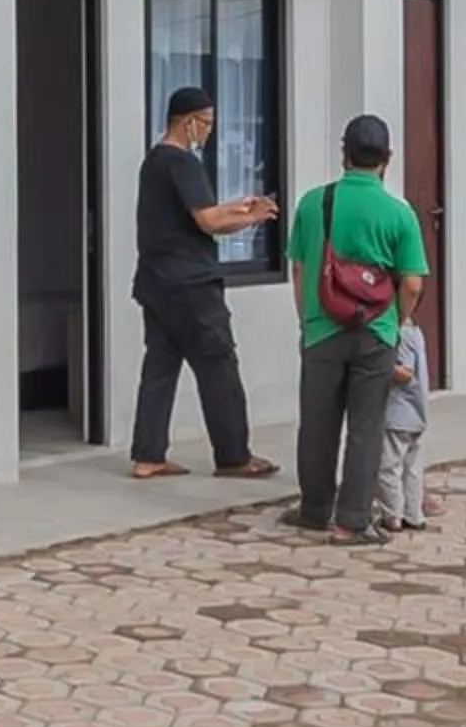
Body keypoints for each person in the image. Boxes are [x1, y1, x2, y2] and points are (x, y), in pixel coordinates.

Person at [129, 85, 283, 481]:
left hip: (156, 284)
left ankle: (148, 456)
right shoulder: (183, 163)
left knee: (159, 368)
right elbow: (209, 222)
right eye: (207, 123)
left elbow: (201, 212)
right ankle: (234, 456)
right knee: (219, 367)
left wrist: (239, 206)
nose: (210, 131)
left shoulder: (154, 162)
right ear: (188, 122)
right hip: (192, 286)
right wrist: (253, 217)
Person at [287, 114, 428, 545]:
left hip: (321, 329)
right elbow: (413, 282)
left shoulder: (313, 203)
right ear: (387, 159)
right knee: (366, 426)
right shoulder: (398, 214)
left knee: (317, 423)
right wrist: (399, 319)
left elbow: (298, 268)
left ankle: (314, 509)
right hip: (376, 332)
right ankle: (351, 519)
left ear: (344, 153)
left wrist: (307, 318)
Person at [375, 315, 433, 532]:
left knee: (387, 467)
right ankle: (413, 514)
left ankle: (392, 516)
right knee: (413, 468)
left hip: (398, 413)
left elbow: (405, 373)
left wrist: (376, 364)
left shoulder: (401, 333)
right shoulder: (416, 331)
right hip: (417, 414)